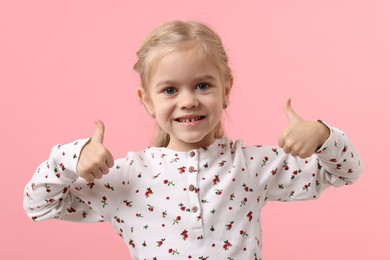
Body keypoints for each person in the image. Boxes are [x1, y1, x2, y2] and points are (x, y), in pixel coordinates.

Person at [23, 20, 363, 259]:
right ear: (147, 101)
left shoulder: (250, 166)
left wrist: (321, 134)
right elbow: (39, 205)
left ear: (225, 90)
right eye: (170, 90)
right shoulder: (126, 177)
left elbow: (345, 172)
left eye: (202, 85)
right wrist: (71, 157)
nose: (188, 100)